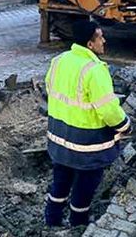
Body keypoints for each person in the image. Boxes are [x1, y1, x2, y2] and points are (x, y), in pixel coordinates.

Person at [44, 20, 131, 227]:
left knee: (60, 182)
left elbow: (50, 90)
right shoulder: (95, 70)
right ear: (90, 45)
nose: (104, 40)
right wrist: (125, 125)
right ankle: (78, 225)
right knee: (84, 188)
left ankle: (52, 220)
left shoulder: (59, 60)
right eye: (100, 37)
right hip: (87, 148)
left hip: (59, 139)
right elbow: (109, 110)